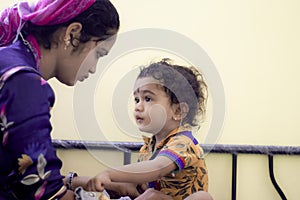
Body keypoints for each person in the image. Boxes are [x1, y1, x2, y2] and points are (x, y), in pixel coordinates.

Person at [0, 0, 120, 199]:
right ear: (73, 34)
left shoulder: (8, 62)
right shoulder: (24, 83)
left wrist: (76, 182)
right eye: (98, 54)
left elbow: (22, 173)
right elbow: (45, 193)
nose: (93, 69)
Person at [86, 58, 211, 200]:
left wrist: (109, 173)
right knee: (139, 192)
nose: (138, 107)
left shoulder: (184, 143)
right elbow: (138, 184)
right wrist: (72, 181)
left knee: (202, 197)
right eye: (137, 99)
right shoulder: (149, 148)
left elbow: (156, 168)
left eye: (147, 99)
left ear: (178, 111)